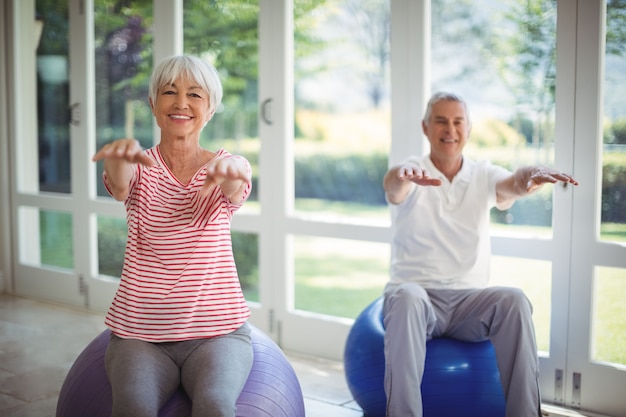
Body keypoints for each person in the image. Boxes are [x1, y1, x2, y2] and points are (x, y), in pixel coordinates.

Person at [382, 92, 578, 417]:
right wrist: (402, 175)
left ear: (468, 129)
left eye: (458, 122)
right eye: (441, 121)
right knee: (407, 297)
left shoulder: (483, 173)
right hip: (416, 296)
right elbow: (394, 186)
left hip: (468, 303)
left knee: (513, 299)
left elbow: (513, 182)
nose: (450, 129)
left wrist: (528, 175)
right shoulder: (412, 171)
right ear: (425, 127)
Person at [91, 55, 253, 417]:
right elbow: (119, 186)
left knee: (215, 407)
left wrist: (230, 170)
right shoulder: (140, 169)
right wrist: (118, 158)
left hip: (219, 335)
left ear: (210, 109)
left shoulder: (226, 165)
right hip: (140, 337)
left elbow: (236, 177)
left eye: (195, 94)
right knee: (132, 409)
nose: (181, 102)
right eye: (169, 92)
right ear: (153, 104)